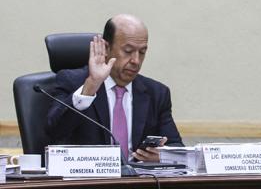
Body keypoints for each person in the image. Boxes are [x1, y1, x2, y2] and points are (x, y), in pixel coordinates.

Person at [47, 14, 183, 162]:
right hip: (91, 180)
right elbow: (54, 132)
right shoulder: (73, 82)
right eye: (128, 51)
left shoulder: (157, 93)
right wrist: (92, 85)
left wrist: (164, 156)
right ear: (106, 48)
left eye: (142, 52)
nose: (136, 61)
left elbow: (177, 147)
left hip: (139, 181)